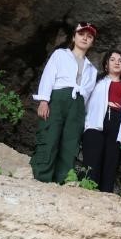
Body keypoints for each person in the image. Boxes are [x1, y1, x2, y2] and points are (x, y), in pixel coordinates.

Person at [31, 22, 97, 184]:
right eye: (81, 34)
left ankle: (62, 179)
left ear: (92, 42)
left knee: (70, 141)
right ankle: (42, 175)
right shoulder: (60, 55)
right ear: (74, 37)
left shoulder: (92, 69)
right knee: (50, 135)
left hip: (78, 106)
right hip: (58, 99)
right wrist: (44, 101)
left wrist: (83, 116)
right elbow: (48, 76)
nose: (85, 38)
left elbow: (87, 96)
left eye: (89, 37)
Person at [82, 49, 121, 193]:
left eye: (120, 60)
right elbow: (83, 101)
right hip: (95, 124)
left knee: (111, 163)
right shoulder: (96, 82)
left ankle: (105, 197)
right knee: (92, 162)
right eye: (112, 59)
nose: (117, 62)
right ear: (106, 65)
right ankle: (87, 193)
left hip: (117, 124)